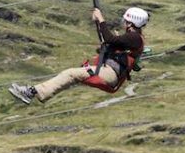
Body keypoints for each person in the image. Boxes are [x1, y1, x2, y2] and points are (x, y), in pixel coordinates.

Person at [8, 6, 148, 104]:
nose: (123, 23)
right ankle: (35, 92)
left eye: (125, 21)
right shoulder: (134, 38)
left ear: (130, 22)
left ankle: (30, 92)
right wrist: (99, 24)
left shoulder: (134, 38)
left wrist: (101, 19)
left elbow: (109, 39)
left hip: (109, 73)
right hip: (109, 72)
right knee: (70, 75)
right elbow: (109, 43)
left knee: (70, 74)